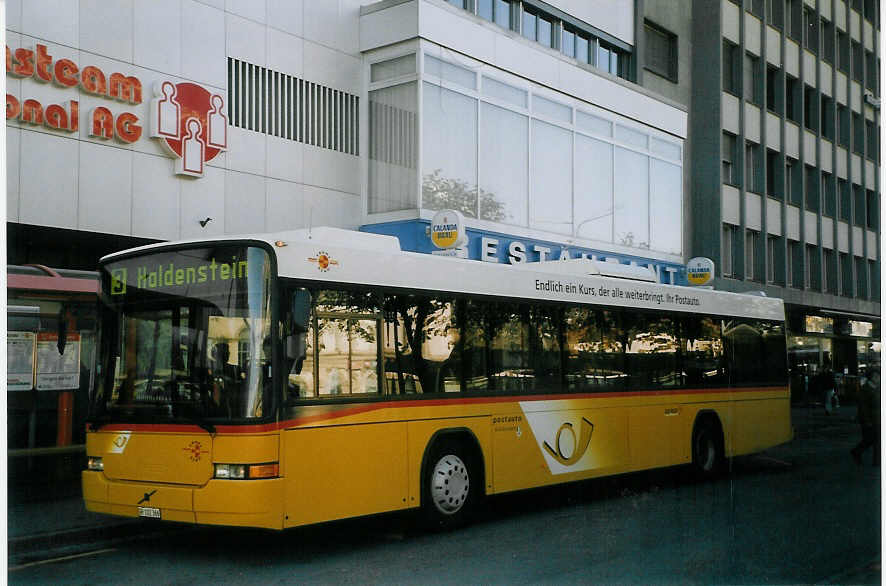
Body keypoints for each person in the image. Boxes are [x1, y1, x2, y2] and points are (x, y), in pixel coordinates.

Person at [851, 369, 880, 466]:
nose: (878, 378)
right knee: (870, 440)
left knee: (876, 440)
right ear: (871, 378)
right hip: (869, 419)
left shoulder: (878, 388)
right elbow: (863, 407)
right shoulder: (865, 389)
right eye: (876, 376)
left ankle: (877, 461)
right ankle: (857, 452)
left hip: (878, 418)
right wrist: (867, 420)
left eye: (879, 376)